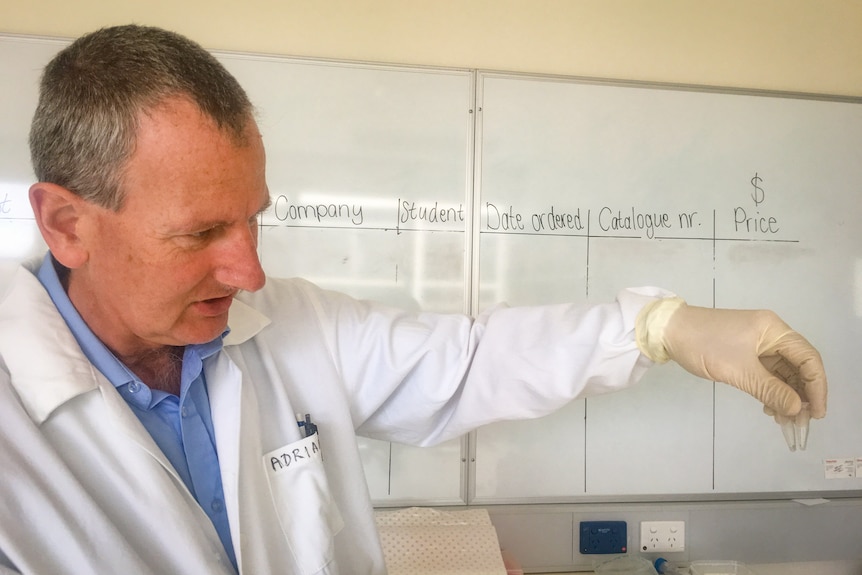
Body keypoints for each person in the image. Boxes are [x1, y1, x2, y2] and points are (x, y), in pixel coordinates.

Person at [0, 24, 826, 575]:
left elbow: (466, 363)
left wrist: (657, 327)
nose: (249, 271)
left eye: (253, 220)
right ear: (66, 223)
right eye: (200, 233)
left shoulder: (287, 327)